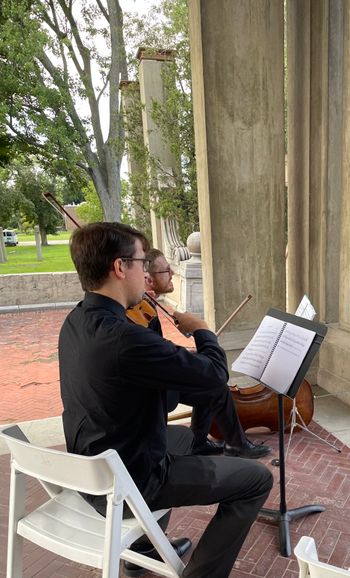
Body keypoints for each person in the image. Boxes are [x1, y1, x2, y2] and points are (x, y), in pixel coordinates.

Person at [59, 222, 273, 578]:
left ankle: (144, 548)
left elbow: (132, 387)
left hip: (93, 469)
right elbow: (214, 377)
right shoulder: (125, 339)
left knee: (188, 439)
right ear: (119, 267)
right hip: (132, 480)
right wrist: (202, 329)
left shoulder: (75, 321)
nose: (145, 273)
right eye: (142, 263)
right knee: (256, 480)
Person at [133, 247, 271, 459]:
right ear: (149, 280)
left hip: (157, 376)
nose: (172, 274)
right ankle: (236, 444)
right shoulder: (139, 309)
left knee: (207, 380)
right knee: (214, 382)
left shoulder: (147, 306)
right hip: (154, 389)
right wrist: (200, 329)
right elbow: (148, 352)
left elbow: (156, 347)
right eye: (166, 271)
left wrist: (186, 354)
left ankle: (199, 442)